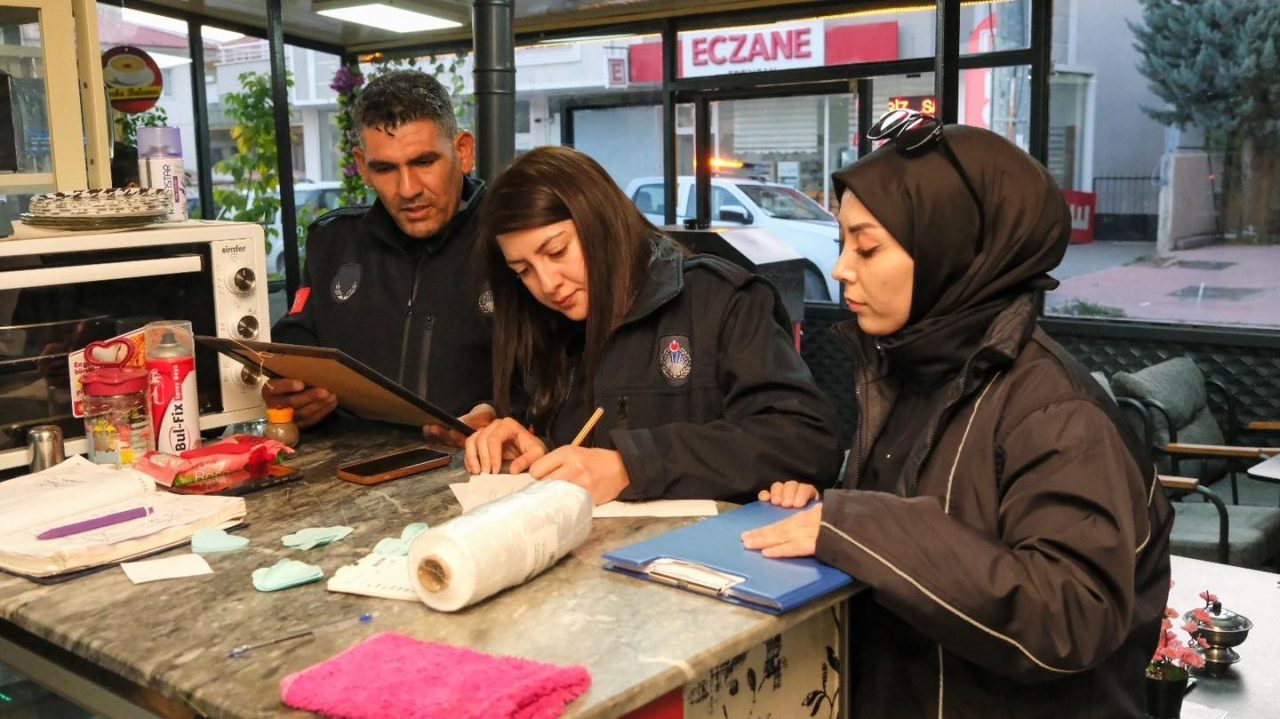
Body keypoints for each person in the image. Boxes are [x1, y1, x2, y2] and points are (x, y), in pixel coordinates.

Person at [741, 111, 1173, 717]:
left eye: (867, 246)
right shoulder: (910, 371)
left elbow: (1071, 616)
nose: (841, 269)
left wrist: (859, 525)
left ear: (952, 244)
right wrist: (822, 514)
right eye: (842, 244)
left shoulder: (1056, 413)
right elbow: (921, 542)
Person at [461, 146, 843, 505]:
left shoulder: (719, 301)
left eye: (557, 251)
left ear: (601, 222)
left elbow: (805, 441)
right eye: (523, 270)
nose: (547, 284)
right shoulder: (545, 323)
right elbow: (572, 450)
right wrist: (536, 447)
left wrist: (632, 465)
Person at [267, 70, 493, 432]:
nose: (407, 189)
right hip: (346, 469)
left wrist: (504, 413)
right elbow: (295, 347)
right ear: (362, 167)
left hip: (481, 473)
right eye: (385, 168)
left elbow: (565, 371)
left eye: (423, 162)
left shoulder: (512, 241)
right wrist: (287, 393)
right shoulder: (332, 242)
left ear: (462, 152)